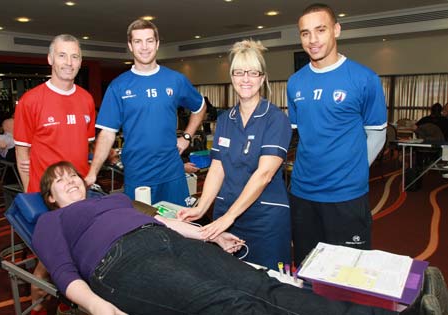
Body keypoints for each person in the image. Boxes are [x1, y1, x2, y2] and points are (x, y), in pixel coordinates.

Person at [33, 161, 401, 315]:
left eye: (72, 175)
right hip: (120, 262)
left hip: (168, 240)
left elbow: (166, 222)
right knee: (228, 304)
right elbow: (64, 273)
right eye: (59, 181)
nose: (69, 181)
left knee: (262, 285)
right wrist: (98, 307)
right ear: (50, 198)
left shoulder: (115, 198)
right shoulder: (51, 222)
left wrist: (212, 235)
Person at [286, 3, 387, 266]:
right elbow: (300, 135)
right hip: (302, 193)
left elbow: (377, 134)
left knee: (348, 272)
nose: (312, 39)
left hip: (346, 196)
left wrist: (353, 170)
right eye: (305, 33)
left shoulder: (364, 78)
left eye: (320, 30)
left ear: (337, 30)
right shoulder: (295, 82)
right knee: (308, 267)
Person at [178, 40, 292, 270]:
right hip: (226, 215)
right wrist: (202, 207)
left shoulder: (276, 119)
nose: (245, 79)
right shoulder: (225, 120)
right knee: (231, 282)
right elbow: (218, 167)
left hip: (265, 218)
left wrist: (229, 217)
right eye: (239, 72)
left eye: (252, 72)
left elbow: (264, 174)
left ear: (262, 78)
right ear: (232, 78)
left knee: (270, 286)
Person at [13, 34, 96, 315]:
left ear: (80, 61)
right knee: (48, 264)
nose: (68, 62)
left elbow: (84, 147)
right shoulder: (30, 100)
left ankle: (67, 305)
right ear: (50, 59)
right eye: (62, 55)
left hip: (80, 196)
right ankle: (37, 309)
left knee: (83, 256)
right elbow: (22, 155)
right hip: (46, 199)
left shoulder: (86, 99)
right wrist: (31, 196)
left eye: (74, 56)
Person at [86, 19, 206, 206]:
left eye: (149, 41)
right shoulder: (119, 86)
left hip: (172, 172)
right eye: (138, 41)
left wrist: (187, 137)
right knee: (143, 229)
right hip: (138, 174)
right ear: (130, 46)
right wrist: (93, 172)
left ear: (157, 44)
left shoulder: (175, 80)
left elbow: (200, 107)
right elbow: (108, 133)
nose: (144, 47)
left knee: (179, 224)